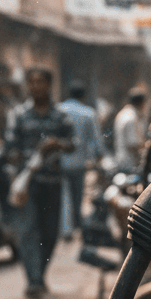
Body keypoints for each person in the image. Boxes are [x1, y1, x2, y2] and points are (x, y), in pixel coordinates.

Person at [4, 68, 74, 299]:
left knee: (50, 233)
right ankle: (33, 279)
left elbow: (73, 143)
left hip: (52, 181)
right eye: (32, 82)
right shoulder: (20, 115)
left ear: (49, 85)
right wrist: (16, 169)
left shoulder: (61, 115)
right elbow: (10, 147)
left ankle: (40, 275)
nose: (36, 87)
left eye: (40, 82)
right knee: (27, 231)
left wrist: (58, 144)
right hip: (28, 184)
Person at [57, 81, 104, 238]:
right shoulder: (88, 113)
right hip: (79, 162)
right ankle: (76, 224)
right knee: (77, 195)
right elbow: (96, 140)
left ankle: (65, 227)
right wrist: (99, 156)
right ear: (83, 96)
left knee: (64, 196)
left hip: (60, 161)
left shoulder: (59, 110)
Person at [112, 87, 147, 174]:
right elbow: (133, 143)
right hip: (129, 161)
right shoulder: (132, 118)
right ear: (141, 103)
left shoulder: (123, 113)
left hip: (120, 157)